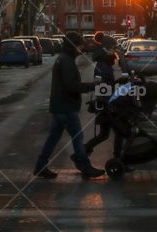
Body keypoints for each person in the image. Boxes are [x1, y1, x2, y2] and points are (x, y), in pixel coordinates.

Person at [33, 31, 105, 179]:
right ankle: (84, 166)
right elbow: (71, 86)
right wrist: (93, 85)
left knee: (53, 138)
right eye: (79, 46)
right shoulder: (66, 61)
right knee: (78, 137)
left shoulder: (63, 59)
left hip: (59, 106)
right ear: (73, 46)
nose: (81, 49)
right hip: (66, 107)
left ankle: (40, 166)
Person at [84, 48, 126, 162]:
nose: (115, 64)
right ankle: (118, 158)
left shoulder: (103, 66)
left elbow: (105, 84)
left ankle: (85, 149)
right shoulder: (104, 68)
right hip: (106, 105)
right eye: (114, 61)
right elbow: (101, 85)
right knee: (119, 132)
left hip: (104, 103)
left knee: (103, 134)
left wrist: (117, 82)